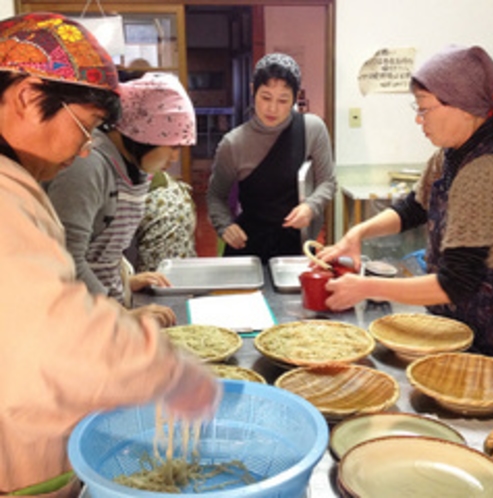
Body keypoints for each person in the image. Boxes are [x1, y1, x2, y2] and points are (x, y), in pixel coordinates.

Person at [0, 12, 219, 496]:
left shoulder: (18, 183)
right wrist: (167, 371)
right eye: (87, 126)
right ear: (28, 97)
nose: (84, 151)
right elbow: (57, 327)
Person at [316, 45, 493, 356]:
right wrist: (358, 233)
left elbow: (455, 283)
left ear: (464, 107)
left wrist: (366, 287)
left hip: (487, 335)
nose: (418, 120)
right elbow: (413, 207)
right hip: (454, 322)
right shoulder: (448, 156)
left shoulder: (486, 170)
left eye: (424, 108)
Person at [47, 71, 197, 325]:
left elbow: (103, 251)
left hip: (106, 308)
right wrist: (119, 315)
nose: (174, 159)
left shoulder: (135, 167)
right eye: (174, 146)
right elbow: (65, 258)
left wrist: (125, 280)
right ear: (146, 134)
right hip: (81, 317)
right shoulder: (88, 166)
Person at [207, 52, 336, 263]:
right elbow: (216, 195)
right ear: (252, 91)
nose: (272, 108)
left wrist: (311, 206)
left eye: (283, 100)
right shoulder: (233, 143)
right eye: (265, 97)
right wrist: (225, 226)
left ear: (296, 97)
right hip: (249, 245)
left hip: (296, 244)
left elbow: (327, 181)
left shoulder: (312, 128)